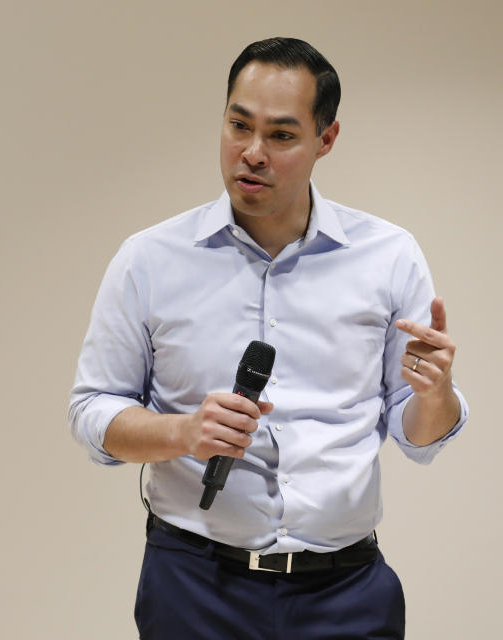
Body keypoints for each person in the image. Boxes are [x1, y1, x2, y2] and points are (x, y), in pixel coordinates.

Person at [67, 37, 467, 639]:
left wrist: (435, 394)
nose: (251, 153)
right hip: (195, 589)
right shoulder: (148, 261)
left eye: (280, 135)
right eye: (238, 125)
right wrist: (182, 432)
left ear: (324, 140)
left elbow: (418, 434)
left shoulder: (388, 257)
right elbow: (92, 411)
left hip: (347, 593)